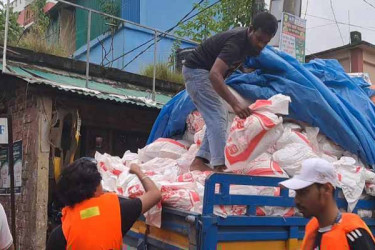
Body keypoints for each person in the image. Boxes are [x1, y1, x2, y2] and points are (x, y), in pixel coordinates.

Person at [182, 12, 278, 172]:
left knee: (219, 116)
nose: (261, 45)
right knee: (218, 115)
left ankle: (200, 160)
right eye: (259, 39)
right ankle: (220, 167)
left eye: (265, 43)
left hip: (202, 72)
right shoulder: (236, 42)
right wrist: (235, 103)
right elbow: (215, 74)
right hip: (198, 72)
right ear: (251, 30)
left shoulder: (247, 44)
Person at [46, 157, 161, 250]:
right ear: (95, 189)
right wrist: (137, 170)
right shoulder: (117, 211)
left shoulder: (60, 234)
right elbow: (155, 194)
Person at [279, 158, 375, 250]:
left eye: (303, 192)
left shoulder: (354, 235)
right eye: (296, 193)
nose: (297, 200)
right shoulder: (313, 232)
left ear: (326, 189)